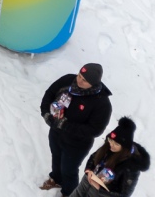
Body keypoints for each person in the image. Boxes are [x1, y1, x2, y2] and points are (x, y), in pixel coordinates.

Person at [40, 63, 113, 195]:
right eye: (79, 75)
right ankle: (56, 179)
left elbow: (95, 130)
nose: (79, 80)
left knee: (69, 170)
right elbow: (49, 94)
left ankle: (69, 193)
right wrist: (46, 113)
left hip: (77, 143)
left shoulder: (102, 103)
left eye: (84, 80)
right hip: (56, 133)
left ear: (93, 83)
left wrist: (66, 126)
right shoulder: (68, 80)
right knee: (56, 157)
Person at [72, 118, 149, 197]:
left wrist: (100, 189)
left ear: (125, 147)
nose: (111, 145)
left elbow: (124, 194)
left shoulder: (132, 166)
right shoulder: (108, 147)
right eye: (110, 140)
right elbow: (93, 157)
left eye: (116, 144)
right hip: (84, 186)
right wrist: (89, 170)